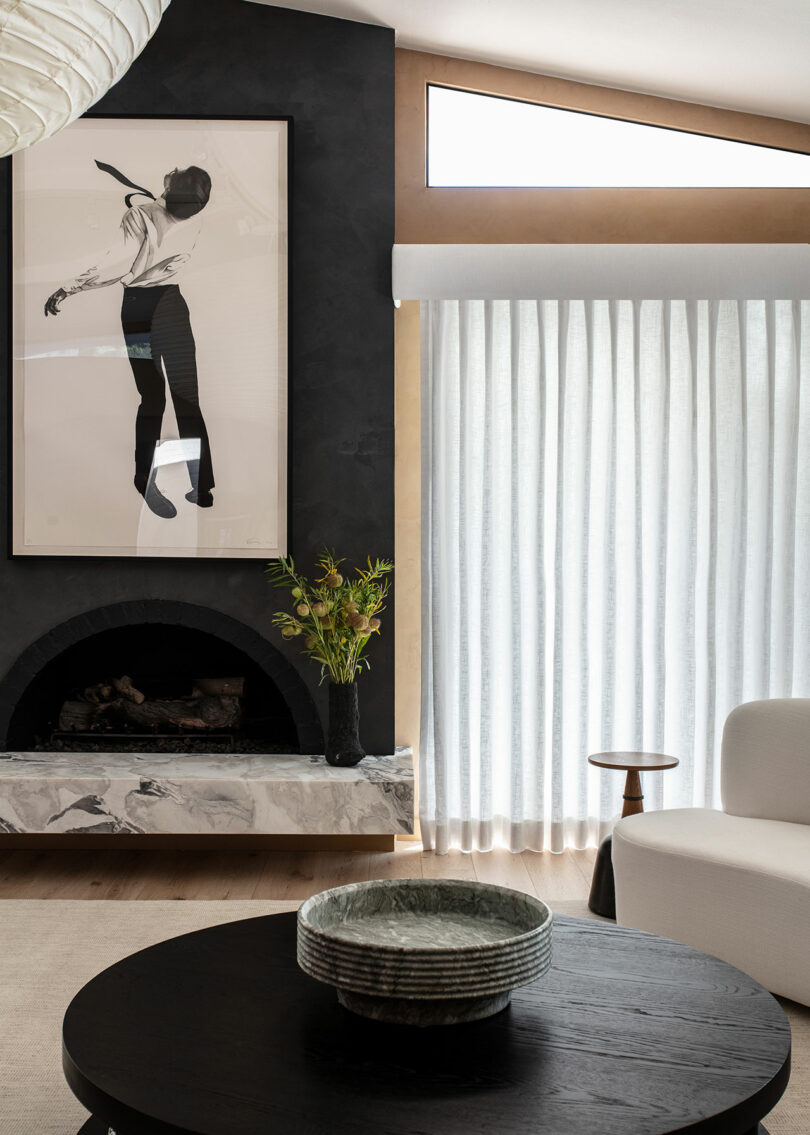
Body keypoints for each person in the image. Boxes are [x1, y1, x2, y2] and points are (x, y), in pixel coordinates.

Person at [44, 164, 215, 519]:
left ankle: (143, 478)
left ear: (171, 189)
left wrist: (68, 288)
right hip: (174, 305)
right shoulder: (195, 218)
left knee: (152, 396)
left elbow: (118, 266)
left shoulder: (140, 214)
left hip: (139, 309)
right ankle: (202, 487)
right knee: (186, 394)